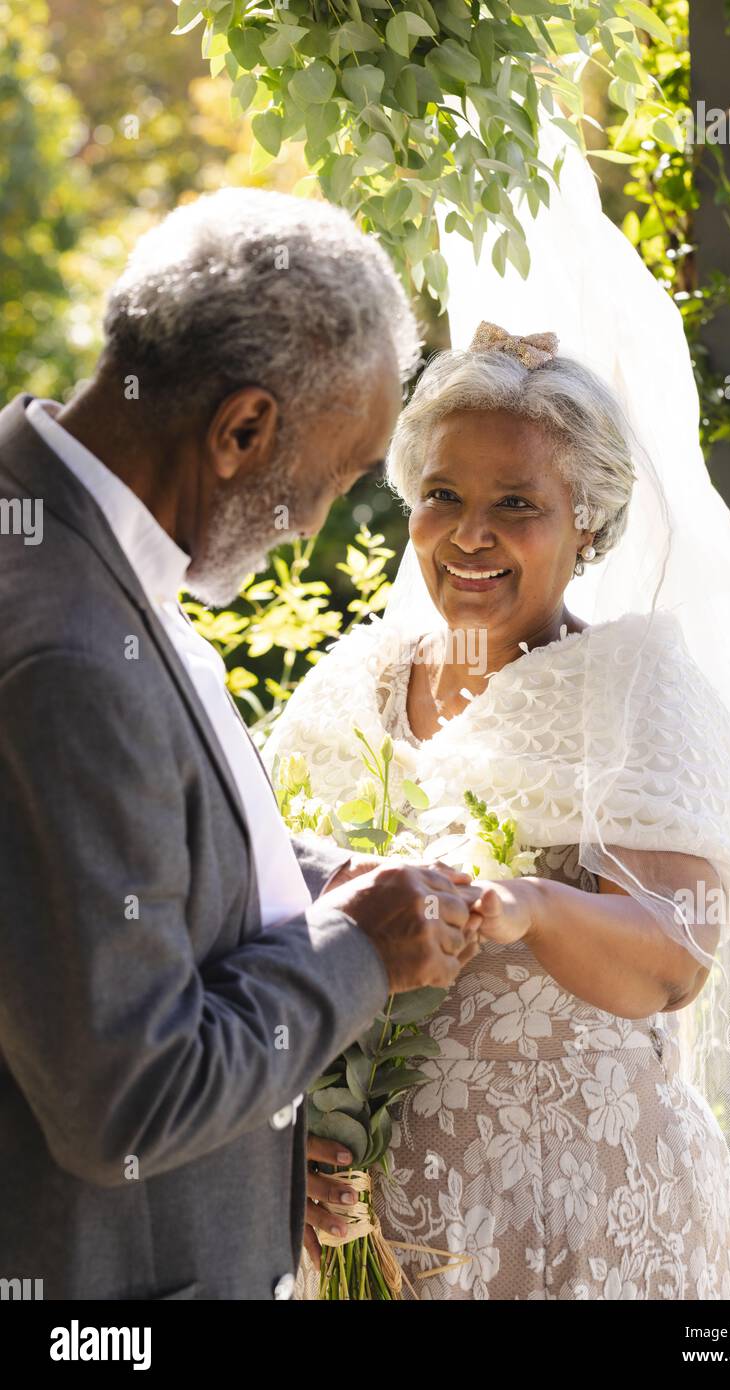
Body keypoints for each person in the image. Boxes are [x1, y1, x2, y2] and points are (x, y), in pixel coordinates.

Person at [267, 324, 730, 1300]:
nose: (469, 533)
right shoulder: (346, 691)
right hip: (384, 1236)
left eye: (516, 504)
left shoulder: (639, 687)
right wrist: (294, 1143)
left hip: (588, 1219)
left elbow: (672, 962)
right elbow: (267, 925)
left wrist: (529, 906)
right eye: (442, 495)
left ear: (590, 524)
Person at [0, 188, 482, 1301]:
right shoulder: (65, 650)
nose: (317, 524)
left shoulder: (67, 535)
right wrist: (359, 946)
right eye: (339, 476)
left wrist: (309, 875)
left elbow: (94, 872)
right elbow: (127, 1099)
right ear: (244, 430)